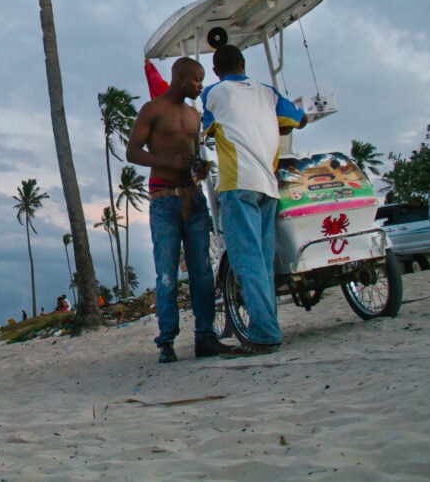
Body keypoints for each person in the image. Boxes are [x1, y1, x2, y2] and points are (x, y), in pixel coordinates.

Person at [127, 56, 233, 363]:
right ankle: (167, 341)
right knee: (167, 273)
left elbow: (193, 153)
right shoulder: (152, 110)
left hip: (193, 197)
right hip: (164, 199)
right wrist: (167, 162)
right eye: (197, 80)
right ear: (180, 78)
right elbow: (132, 152)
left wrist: (199, 165)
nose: (201, 85)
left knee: (201, 270)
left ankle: (205, 337)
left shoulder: (194, 115)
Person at [201, 45, 306, 357]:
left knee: (247, 263)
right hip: (268, 186)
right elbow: (296, 119)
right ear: (244, 64)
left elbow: (206, 130)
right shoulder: (268, 92)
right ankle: (267, 327)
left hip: (237, 184)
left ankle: (264, 334)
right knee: (261, 262)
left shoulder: (214, 92)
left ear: (216, 70)